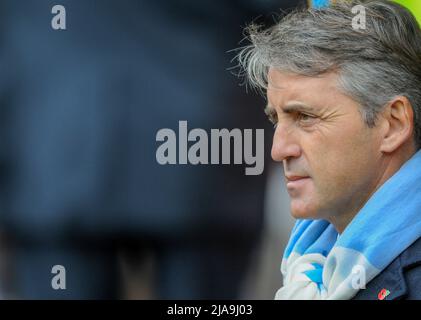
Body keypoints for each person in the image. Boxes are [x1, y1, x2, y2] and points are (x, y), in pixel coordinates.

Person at [238, 0, 421, 299]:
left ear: (393, 124)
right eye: (276, 118)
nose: (278, 150)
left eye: (305, 117)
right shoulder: (309, 260)